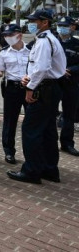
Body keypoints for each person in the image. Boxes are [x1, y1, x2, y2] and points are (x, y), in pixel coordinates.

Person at [8, 9, 66, 184]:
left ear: (45, 22)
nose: (30, 23)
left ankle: (32, 171)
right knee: (48, 130)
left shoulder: (43, 41)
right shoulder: (50, 39)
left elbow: (41, 68)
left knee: (31, 130)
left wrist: (30, 87)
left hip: (43, 89)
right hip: (50, 88)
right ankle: (49, 169)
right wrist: (29, 76)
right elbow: (40, 68)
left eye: (34, 21)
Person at [0, 24, 30, 164]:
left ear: (19, 35)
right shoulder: (4, 52)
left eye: (9, 35)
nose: (7, 38)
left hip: (30, 89)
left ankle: (31, 153)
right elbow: (0, 69)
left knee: (31, 121)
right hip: (12, 88)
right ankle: (9, 152)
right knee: (10, 121)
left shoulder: (31, 51)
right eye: (5, 35)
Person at [55, 17, 79, 157]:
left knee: (69, 115)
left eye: (65, 25)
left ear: (72, 27)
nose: (61, 28)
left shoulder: (77, 44)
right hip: (54, 83)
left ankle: (67, 143)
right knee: (50, 114)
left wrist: (70, 70)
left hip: (71, 83)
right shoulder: (52, 42)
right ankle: (50, 142)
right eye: (59, 25)